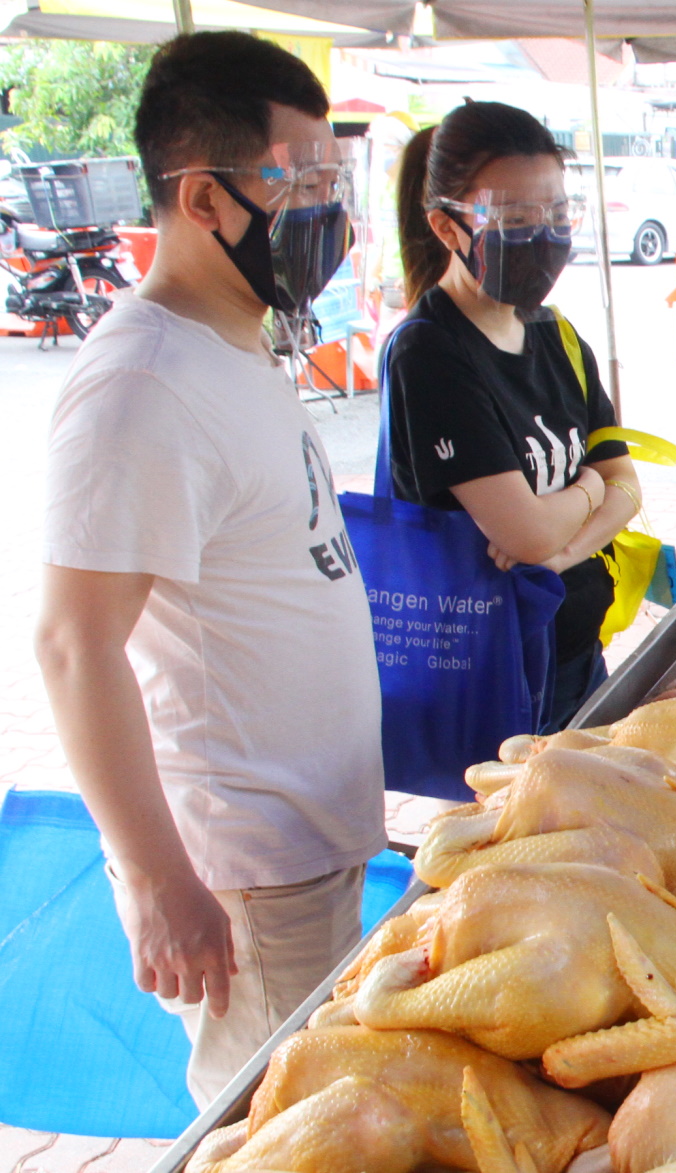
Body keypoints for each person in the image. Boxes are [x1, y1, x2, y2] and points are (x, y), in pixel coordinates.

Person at [34, 32, 380, 1107]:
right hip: (243, 872)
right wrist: (157, 878)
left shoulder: (238, 338)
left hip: (307, 843)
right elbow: (70, 643)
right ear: (204, 199)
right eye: (305, 183)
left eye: (337, 180)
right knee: (278, 1125)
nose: (333, 212)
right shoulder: (142, 383)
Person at [387, 101, 640, 732]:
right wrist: (587, 489)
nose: (544, 235)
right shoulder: (431, 353)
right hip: (495, 676)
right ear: (447, 229)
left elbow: (629, 490)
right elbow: (526, 532)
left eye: (557, 214)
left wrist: (561, 553)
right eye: (516, 218)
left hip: (579, 655)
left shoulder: (557, 338)